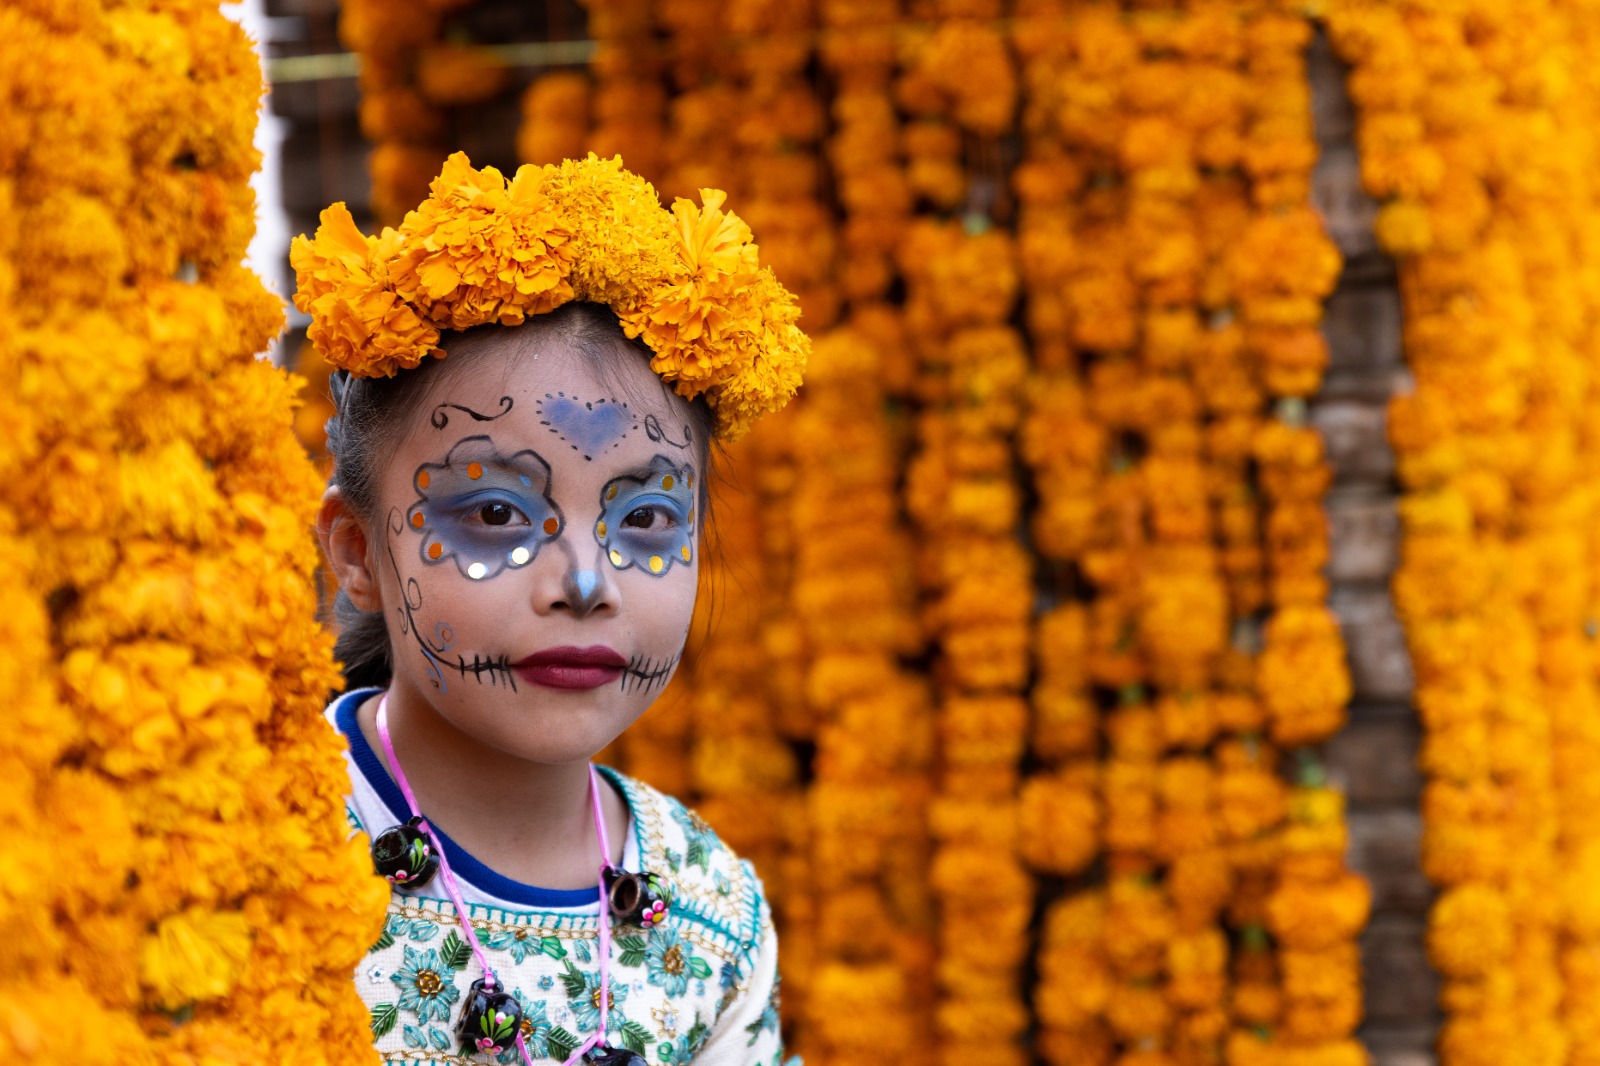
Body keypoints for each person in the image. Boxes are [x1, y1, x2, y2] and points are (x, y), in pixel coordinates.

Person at [292, 152, 807, 1066]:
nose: (584, 581)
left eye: (645, 518)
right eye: (497, 515)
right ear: (356, 553)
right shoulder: (255, 854)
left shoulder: (713, 913)